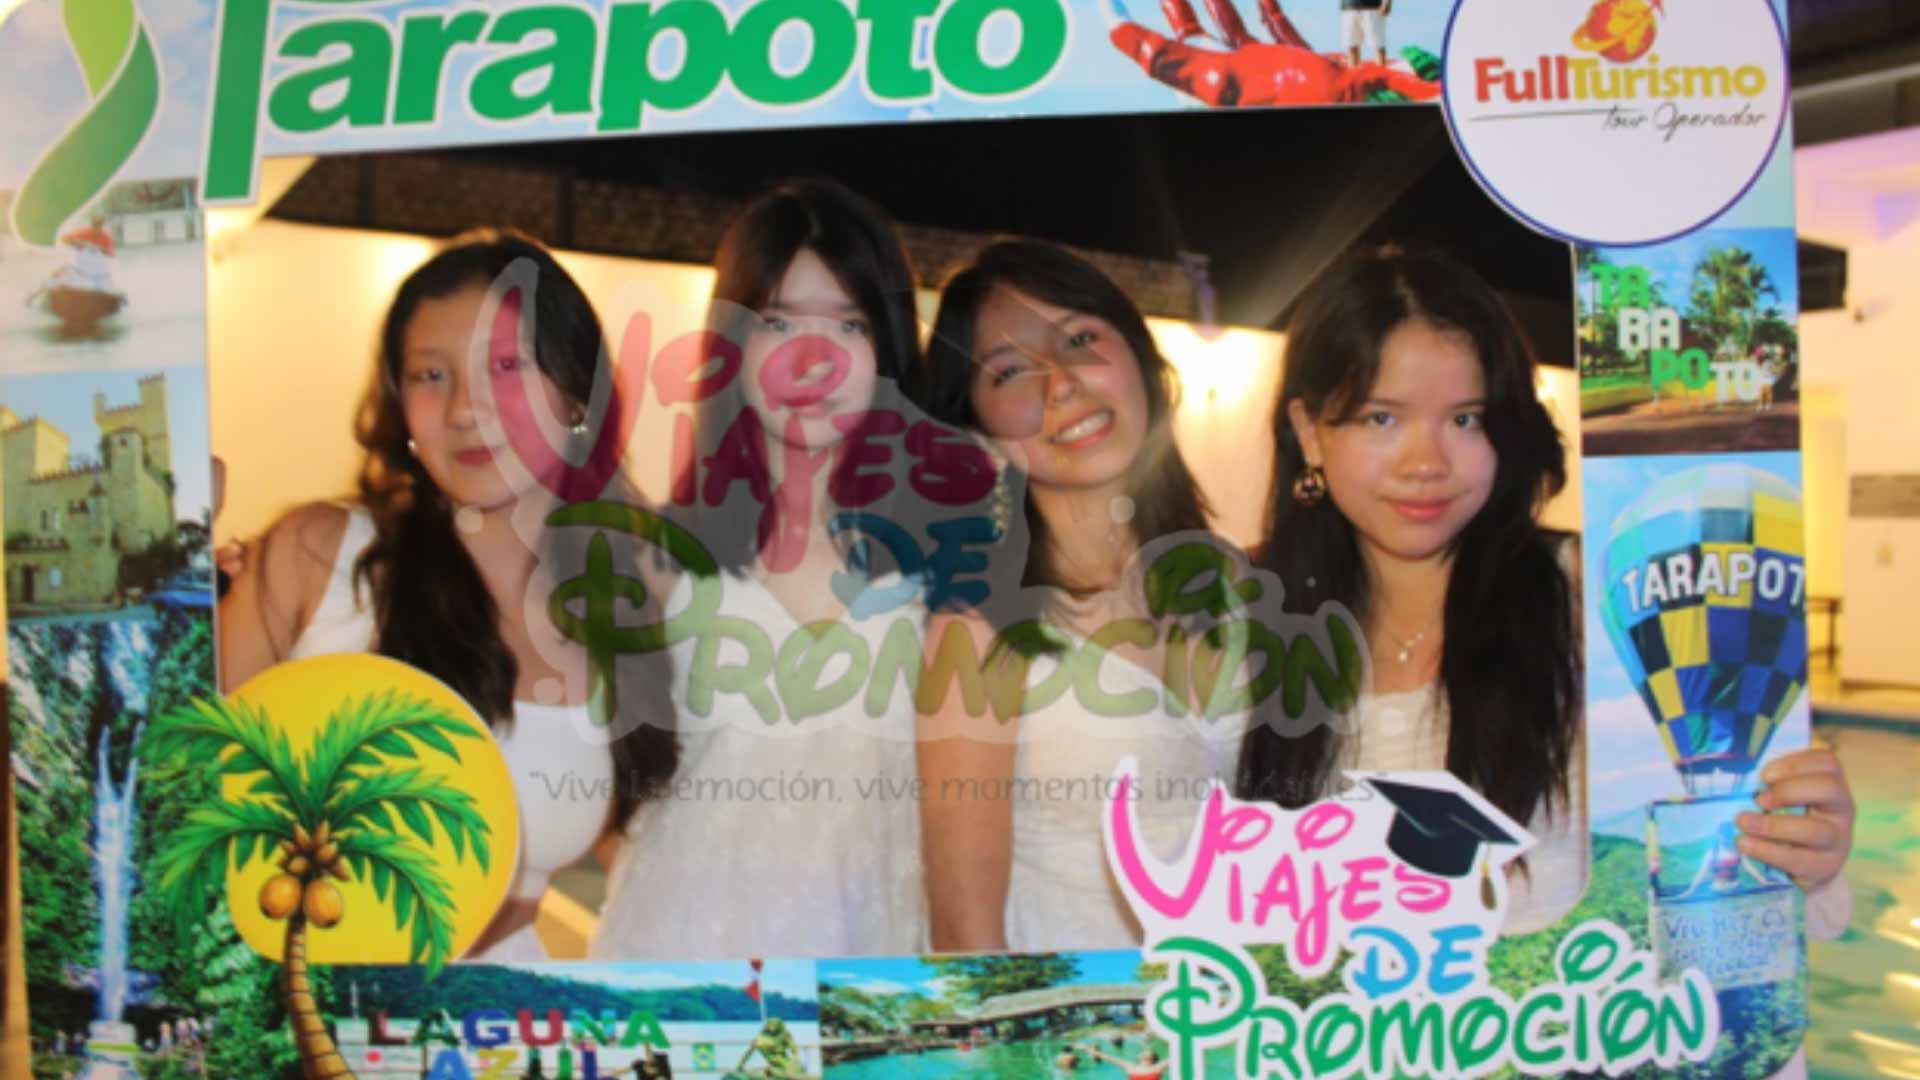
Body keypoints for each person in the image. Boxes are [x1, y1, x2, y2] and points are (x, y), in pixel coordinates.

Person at [1233, 246, 1854, 954]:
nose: (1426, 463)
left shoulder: (1608, 605)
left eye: (1466, 420)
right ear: (1310, 431)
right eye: (1382, 418)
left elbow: (1739, 899)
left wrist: (1806, 857)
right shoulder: (1241, 629)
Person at [218, 229, 677, 961]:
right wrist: (164, 589)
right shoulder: (317, 555)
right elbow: (174, 786)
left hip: (501, 1011)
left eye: (505, 367)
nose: (467, 408)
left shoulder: (634, 600)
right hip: (297, 1004)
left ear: (575, 391)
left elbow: (662, 872)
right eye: (431, 375)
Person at [589, 179, 930, 960]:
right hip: (680, 971)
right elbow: (604, 790)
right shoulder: (657, 558)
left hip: (874, 979)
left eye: (848, 323)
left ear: (887, 349)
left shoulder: (942, 568)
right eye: (778, 321)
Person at [915, 240, 1244, 952]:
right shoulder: (980, 632)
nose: (1060, 383)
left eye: (1081, 339)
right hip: (1082, 1017)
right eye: (1010, 371)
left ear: (1141, 360)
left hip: (1244, 1008)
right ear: (979, 429)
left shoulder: (1237, 582)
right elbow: (965, 936)